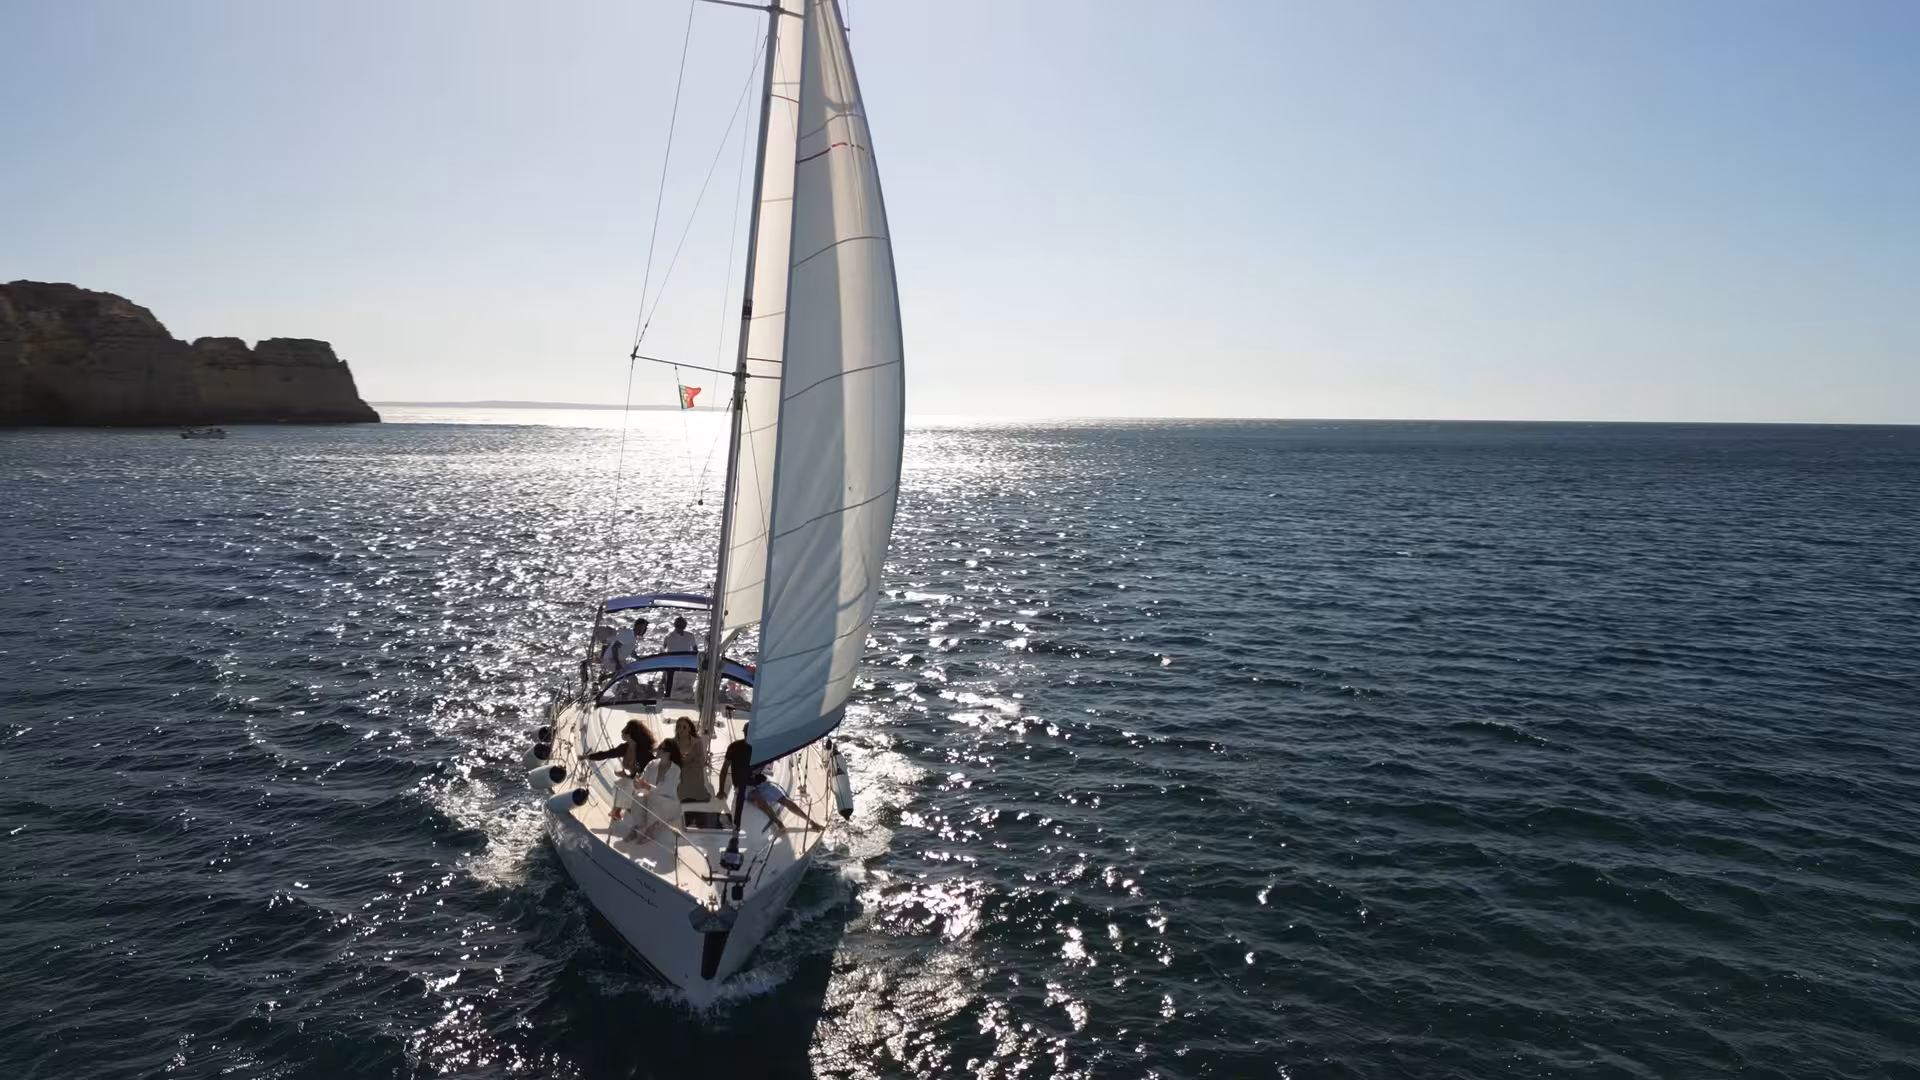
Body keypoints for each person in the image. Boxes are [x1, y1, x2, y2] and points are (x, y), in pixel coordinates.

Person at [629, 740, 683, 844]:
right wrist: (637, 783)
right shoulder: (652, 764)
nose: (657, 750)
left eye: (660, 748)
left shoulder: (675, 769)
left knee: (655, 798)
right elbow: (643, 780)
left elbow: (667, 790)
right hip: (651, 797)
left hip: (668, 802)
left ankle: (651, 829)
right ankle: (638, 825)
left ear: (668, 753)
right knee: (638, 796)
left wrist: (647, 786)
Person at [744, 770, 822, 837]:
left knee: (784, 800)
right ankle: (779, 824)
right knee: (760, 800)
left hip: (761, 782)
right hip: (746, 786)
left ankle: (810, 821)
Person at [671, 716, 713, 803]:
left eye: (684, 727)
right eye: (678, 726)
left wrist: (691, 759)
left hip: (695, 783)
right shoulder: (672, 743)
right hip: (678, 784)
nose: (681, 729)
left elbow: (702, 763)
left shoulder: (697, 742)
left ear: (689, 729)